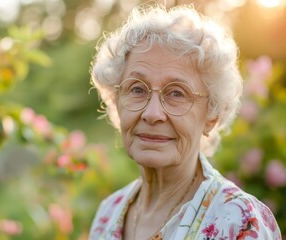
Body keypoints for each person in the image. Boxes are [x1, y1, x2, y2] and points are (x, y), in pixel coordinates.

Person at [88, 3, 281, 240]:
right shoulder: (108, 213)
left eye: (176, 93)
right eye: (137, 89)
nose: (152, 113)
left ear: (212, 115)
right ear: (116, 101)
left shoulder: (239, 221)